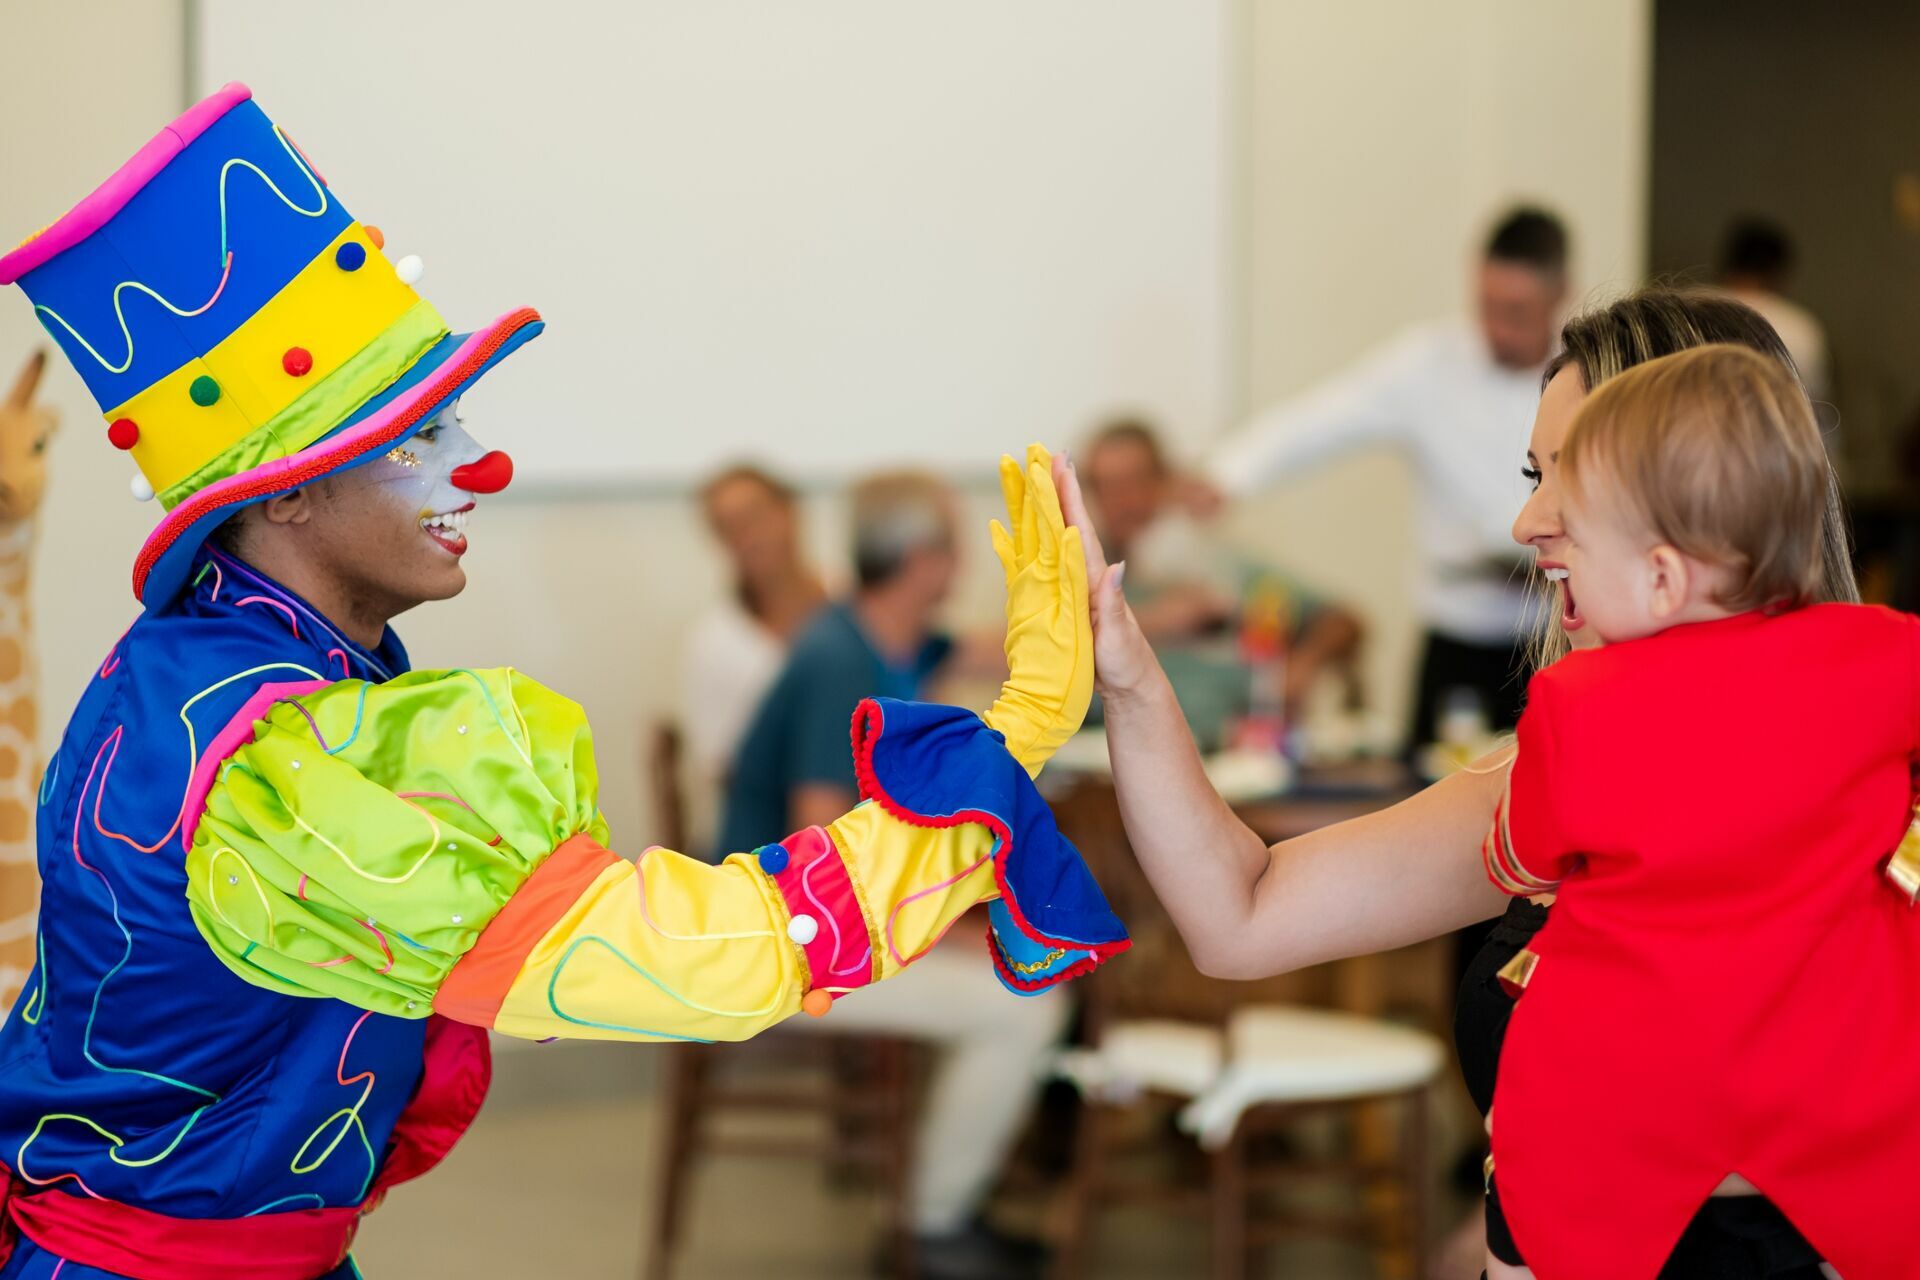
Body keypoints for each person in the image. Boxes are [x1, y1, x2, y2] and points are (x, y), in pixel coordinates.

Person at [0, 84, 1122, 1279]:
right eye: (419, 438)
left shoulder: (189, 671)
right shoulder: (280, 758)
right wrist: (1015, 734)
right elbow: (708, 960)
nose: (477, 469)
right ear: (286, 488)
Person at [1059, 287, 1849, 1278]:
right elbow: (1241, 911)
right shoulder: (1550, 769)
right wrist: (1128, 671)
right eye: (1533, 473)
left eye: (1573, 476)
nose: (1526, 519)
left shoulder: (1856, 781)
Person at [1482, 344, 1912, 1280]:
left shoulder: (1575, 706)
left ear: (1664, 578)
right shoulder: (1885, 657)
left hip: (1621, 1116)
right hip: (1838, 1106)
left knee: (1538, 1181)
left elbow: (1521, 858)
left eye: (1582, 543)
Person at [718, 470, 1076, 1280]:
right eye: (954, 543)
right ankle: (936, 1225)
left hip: (820, 923)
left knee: (1019, 958)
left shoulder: (897, 638)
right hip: (786, 943)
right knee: (1025, 1003)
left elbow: (994, 647)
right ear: (923, 560)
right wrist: (939, 931)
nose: (962, 561)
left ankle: (953, 1190)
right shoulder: (838, 659)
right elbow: (817, 843)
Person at [1204, 206, 1571, 749]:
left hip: (1553, 635)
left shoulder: (1582, 373)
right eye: (1487, 307)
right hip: (1456, 637)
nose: (1498, 328)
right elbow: (1325, 417)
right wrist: (1227, 473)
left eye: (1517, 311)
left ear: (1559, 292)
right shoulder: (1429, 364)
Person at [1080, 418, 1363, 722]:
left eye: (1135, 481)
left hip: (1232, 754)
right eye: (1105, 486)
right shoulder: (1078, 587)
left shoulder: (1215, 567)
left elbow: (1342, 621)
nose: (1122, 501)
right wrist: (1154, 619)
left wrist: (1299, 670)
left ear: (1166, 482)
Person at [680, 464, 826, 847]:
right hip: (765, 846)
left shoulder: (856, 612)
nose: (747, 535)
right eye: (727, 526)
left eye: (755, 515)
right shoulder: (714, 642)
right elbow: (723, 768)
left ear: (790, 511)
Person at [1716, 216, 1829, 403]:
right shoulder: (1799, 328)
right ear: (1777, 272)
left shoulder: (1689, 312)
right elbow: (1814, 399)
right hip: (1775, 428)